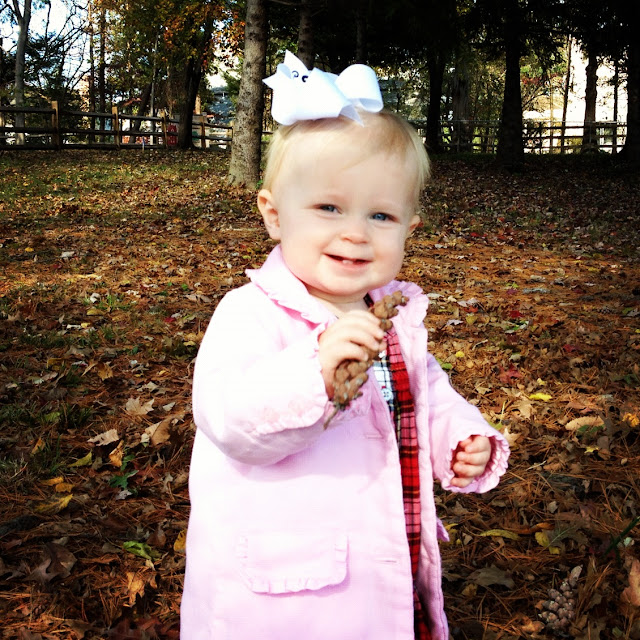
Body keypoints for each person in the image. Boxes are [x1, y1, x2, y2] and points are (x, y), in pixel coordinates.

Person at [180, 52, 510, 640]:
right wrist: (316, 373)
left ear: (408, 229)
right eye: (329, 208)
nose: (355, 232)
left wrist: (460, 437)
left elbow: (428, 394)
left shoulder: (392, 319)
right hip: (281, 598)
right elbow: (229, 420)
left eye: (380, 215)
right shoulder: (249, 314)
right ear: (274, 214)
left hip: (379, 568)